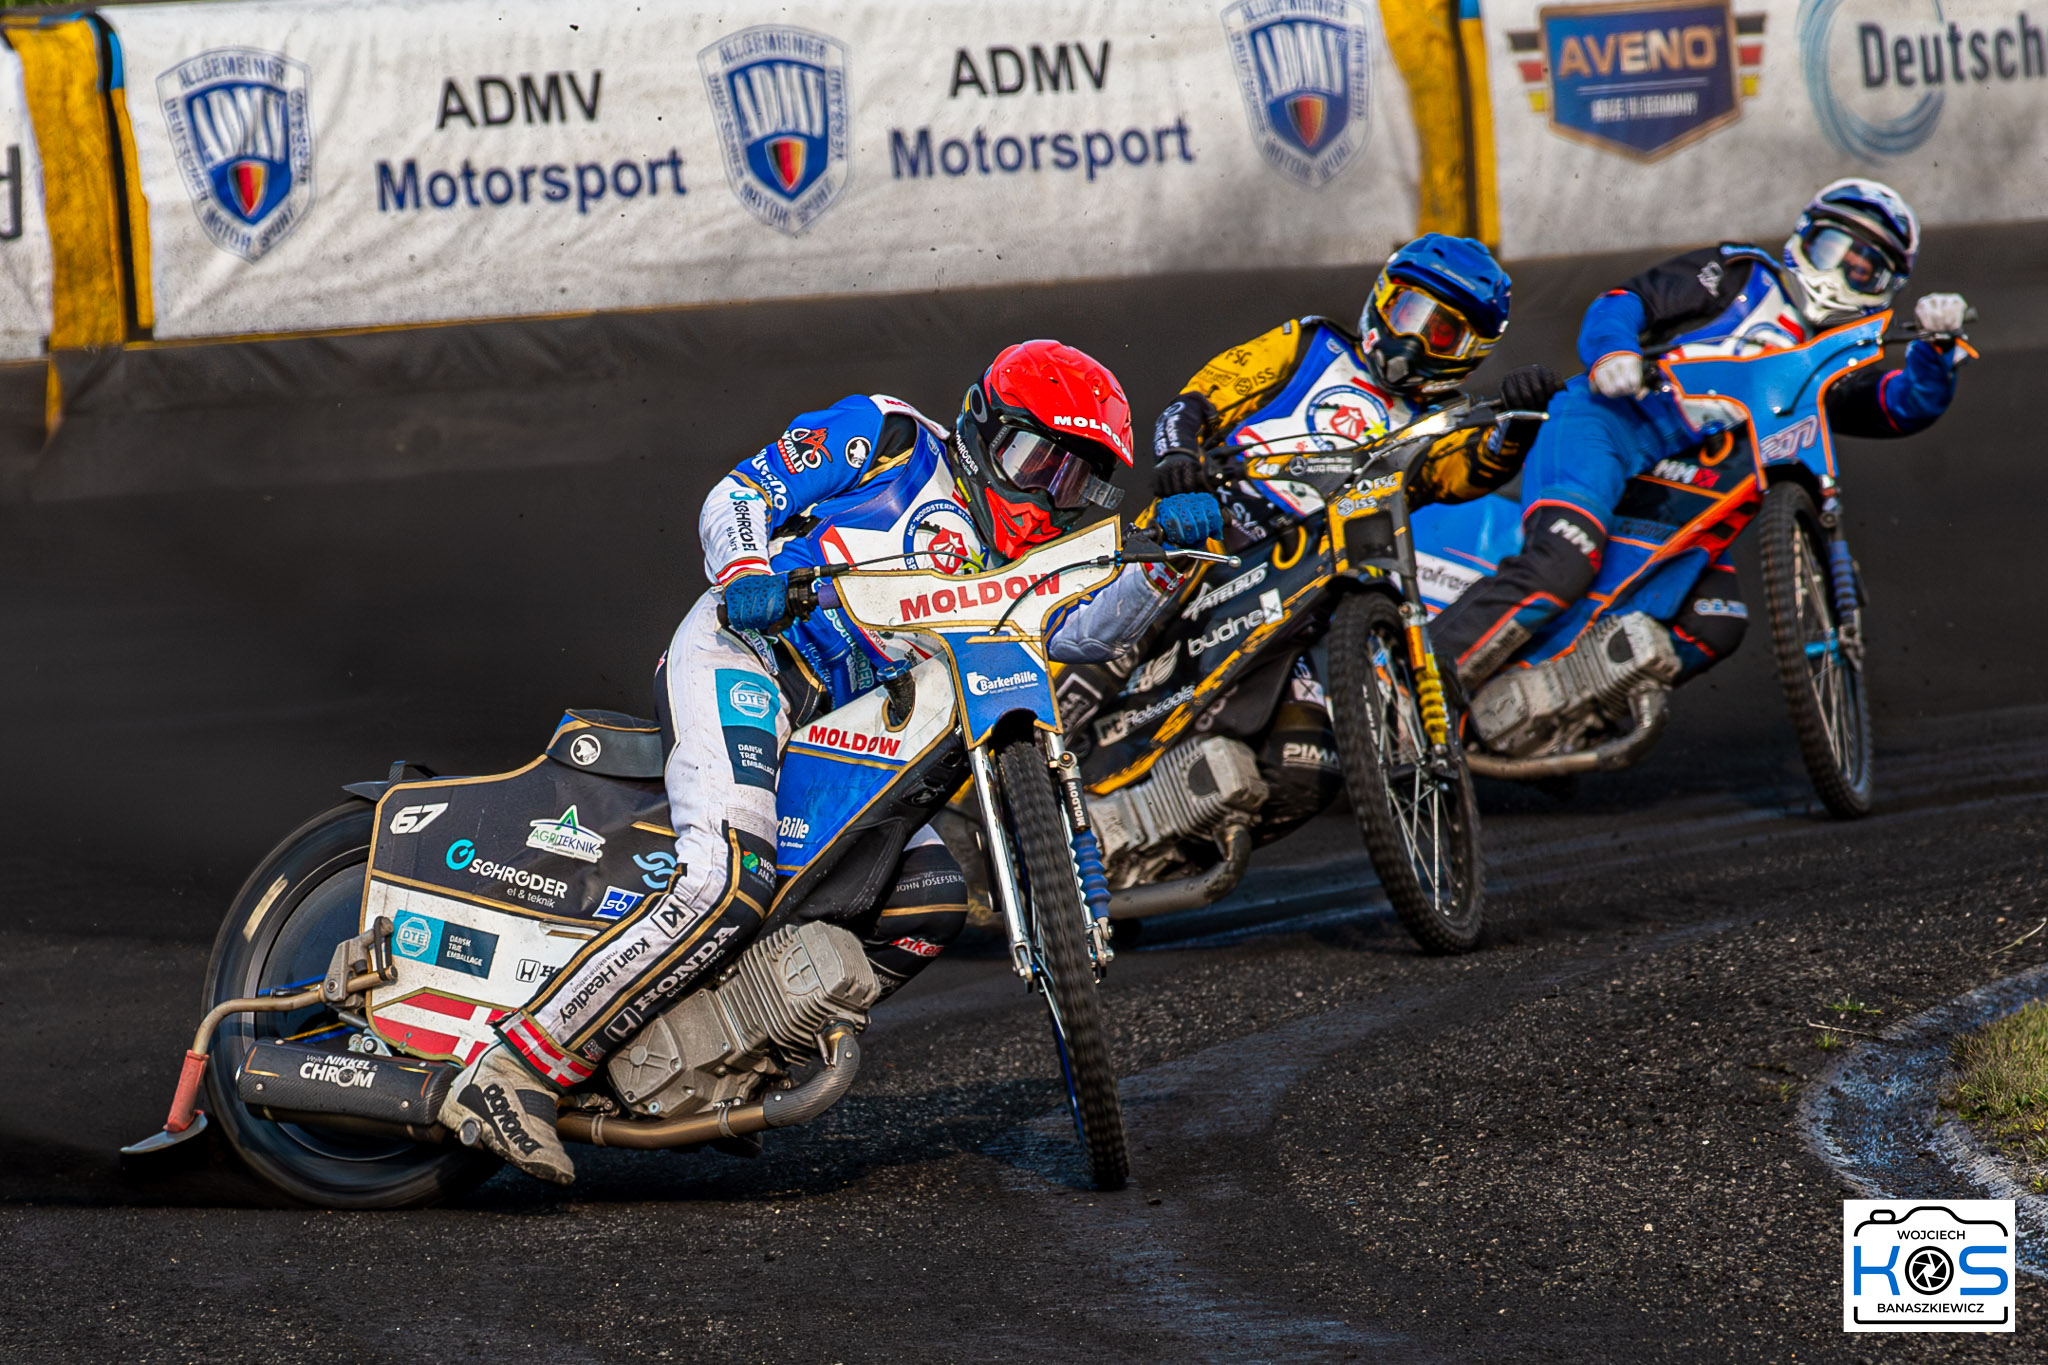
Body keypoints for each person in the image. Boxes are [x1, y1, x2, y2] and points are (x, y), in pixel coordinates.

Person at [439, 340, 1226, 1184]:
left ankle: (723, 1054)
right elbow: (741, 493)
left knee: (929, 900)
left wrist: (1166, 565)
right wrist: (746, 569)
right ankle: (511, 1069)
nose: (1045, 493)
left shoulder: (1024, 564)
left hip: (845, 730)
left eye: (1075, 480)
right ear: (981, 426)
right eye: (1034, 458)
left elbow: (1082, 633)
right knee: (726, 880)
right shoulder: (889, 436)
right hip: (750, 657)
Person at [1430, 179, 1973, 689]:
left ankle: (1558, 714)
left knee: (1717, 622)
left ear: (1886, 288)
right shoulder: (1738, 273)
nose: (1839, 275)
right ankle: (1423, 682)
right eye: (1833, 250)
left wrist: (1936, 349)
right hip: (1606, 425)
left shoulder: (1836, 361)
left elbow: (1900, 406)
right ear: (1804, 238)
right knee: (1563, 562)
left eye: (1863, 270)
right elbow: (1625, 301)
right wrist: (1613, 352)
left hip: (1687, 491)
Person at [1140, 234, 1561, 828]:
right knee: (1100, 648)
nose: (1414, 339)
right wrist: (1180, 457)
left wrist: (1517, 424)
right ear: (1382, 300)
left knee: (1306, 769)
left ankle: (1167, 843)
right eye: (1408, 313)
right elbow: (1199, 399)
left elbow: (1469, 469)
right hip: (1211, 537)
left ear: (1471, 351)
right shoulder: (1309, 344)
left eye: (1440, 333)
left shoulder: (1440, 422)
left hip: (1303, 600)